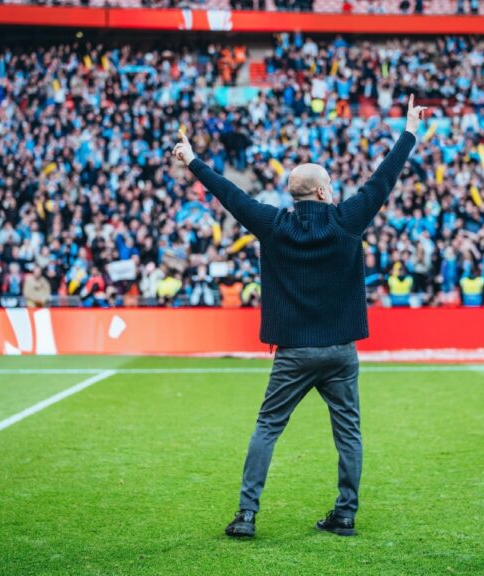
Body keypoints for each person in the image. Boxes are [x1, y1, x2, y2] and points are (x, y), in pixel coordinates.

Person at [172, 95, 425, 539]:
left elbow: (230, 195)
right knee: (348, 432)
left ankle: (247, 515)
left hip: (293, 351)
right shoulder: (347, 219)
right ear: (325, 191)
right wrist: (408, 132)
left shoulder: (273, 224)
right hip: (340, 350)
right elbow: (383, 180)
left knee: (268, 427)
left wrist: (192, 159)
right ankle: (345, 513)